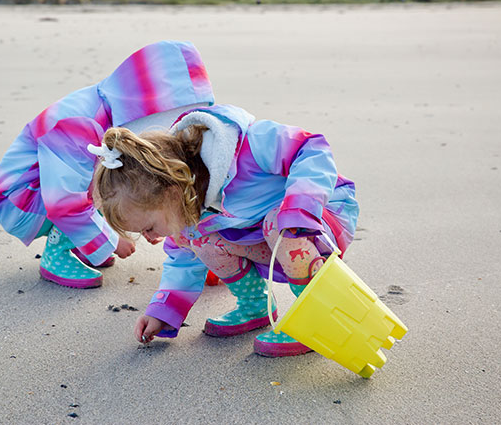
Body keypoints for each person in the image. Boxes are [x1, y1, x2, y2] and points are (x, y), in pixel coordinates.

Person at [91, 104, 359, 357]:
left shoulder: (247, 148)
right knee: (198, 240)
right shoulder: (187, 208)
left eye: (148, 228)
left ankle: (315, 318)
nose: (150, 239)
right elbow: (181, 264)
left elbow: (311, 148)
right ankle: (255, 305)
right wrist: (162, 312)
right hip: (267, 236)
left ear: (172, 193)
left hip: (320, 217)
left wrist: (300, 207)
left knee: (277, 222)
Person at [0, 41, 214, 288]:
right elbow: (64, 199)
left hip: (52, 189)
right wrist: (111, 239)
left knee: (119, 178)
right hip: (19, 200)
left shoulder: (114, 113)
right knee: (111, 180)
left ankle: (82, 240)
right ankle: (57, 255)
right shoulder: (76, 124)